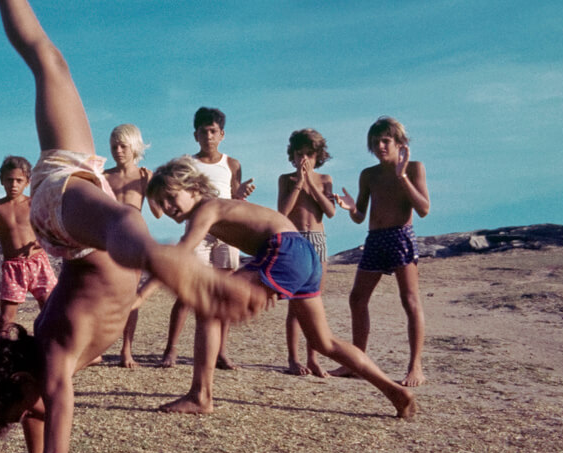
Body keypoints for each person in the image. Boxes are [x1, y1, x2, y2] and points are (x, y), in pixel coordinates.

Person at [0, 0, 266, 453]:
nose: (26, 417)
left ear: (21, 383)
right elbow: (41, 440)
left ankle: (166, 259)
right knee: (49, 61)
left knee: (123, 234)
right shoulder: (45, 370)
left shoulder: (52, 363)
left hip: (67, 220)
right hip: (68, 219)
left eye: (14, 409)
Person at [145, 155, 416, 419]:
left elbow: (179, 256)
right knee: (324, 342)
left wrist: (139, 296)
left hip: (284, 249)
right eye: (160, 202)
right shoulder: (213, 209)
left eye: (171, 197)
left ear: (194, 188)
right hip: (304, 254)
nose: (167, 206)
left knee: (210, 309)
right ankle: (393, 390)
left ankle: (201, 396)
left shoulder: (207, 208)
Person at [331, 116, 430, 386]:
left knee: (410, 300)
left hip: (400, 236)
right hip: (375, 238)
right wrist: (351, 207)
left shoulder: (415, 168)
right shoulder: (369, 175)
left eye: (385, 141)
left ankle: (415, 367)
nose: (380, 146)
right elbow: (359, 217)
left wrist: (403, 176)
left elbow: (423, 209)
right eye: (375, 142)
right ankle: (356, 363)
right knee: (357, 298)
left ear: (400, 143)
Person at [157, 106, 254, 370]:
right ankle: (171, 349)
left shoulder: (232, 164)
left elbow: (234, 197)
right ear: (195, 135)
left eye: (213, 131)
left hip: (227, 233)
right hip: (197, 233)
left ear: (222, 134)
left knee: (223, 292)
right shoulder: (187, 164)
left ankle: (221, 352)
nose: (208, 136)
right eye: (203, 131)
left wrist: (241, 194)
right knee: (188, 291)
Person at [277, 129, 337, 377]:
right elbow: (282, 212)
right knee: (295, 305)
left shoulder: (324, 179)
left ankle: (313, 358)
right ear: (292, 156)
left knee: (314, 301)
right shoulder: (286, 180)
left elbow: (330, 212)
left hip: (318, 239)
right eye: (299, 154)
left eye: (309, 155)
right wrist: (299, 183)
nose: (303, 159)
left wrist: (311, 183)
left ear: (317, 156)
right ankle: (293, 358)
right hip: (295, 239)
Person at [0, 155, 57, 335]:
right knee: (6, 319)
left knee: (50, 310)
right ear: (2, 180)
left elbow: (49, 229)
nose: (13, 185)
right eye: (9, 180)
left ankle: (51, 346)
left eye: (19, 180)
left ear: (27, 182)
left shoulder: (32, 203)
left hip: (38, 262)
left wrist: (40, 240)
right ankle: (1, 350)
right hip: (13, 268)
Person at [103, 124, 150, 368]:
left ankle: (126, 350)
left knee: (132, 296)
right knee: (103, 294)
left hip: (134, 239)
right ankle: (97, 347)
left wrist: (150, 185)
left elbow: (158, 212)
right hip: (108, 239)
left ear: (134, 146)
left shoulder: (143, 176)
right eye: (114, 147)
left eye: (123, 146)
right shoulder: (104, 176)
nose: (118, 151)